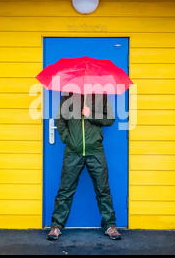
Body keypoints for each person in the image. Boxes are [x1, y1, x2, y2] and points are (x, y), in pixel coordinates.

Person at [47, 92, 121, 241]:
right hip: (73, 152)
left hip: (95, 151)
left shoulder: (101, 96)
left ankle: (110, 225)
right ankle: (56, 226)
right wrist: (69, 139)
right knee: (65, 190)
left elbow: (110, 120)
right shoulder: (68, 96)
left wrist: (90, 114)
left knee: (103, 189)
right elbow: (60, 121)